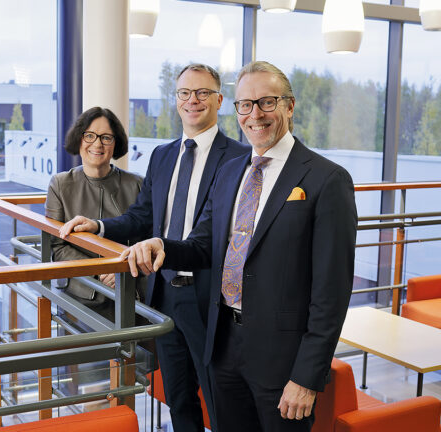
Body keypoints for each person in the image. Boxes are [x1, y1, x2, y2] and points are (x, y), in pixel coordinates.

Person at [120, 61, 358, 432]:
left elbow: (332, 293)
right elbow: (202, 245)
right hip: (223, 344)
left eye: (266, 102)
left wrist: (308, 377)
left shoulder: (327, 180)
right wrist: (161, 244)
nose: (255, 114)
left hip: (282, 360)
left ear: (289, 106)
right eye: (245, 104)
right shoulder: (232, 171)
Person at [60, 64, 248, 432]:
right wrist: (97, 225)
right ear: (175, 100)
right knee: (178, 398)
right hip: (164, 297)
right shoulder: (162, 156)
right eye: (184, 93)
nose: (192, 101)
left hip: (210, 298)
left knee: (220, 402)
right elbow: (140, 218)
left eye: (203, 93)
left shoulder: (238, 157)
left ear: (219, 100)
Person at [45, 106, 143, 320]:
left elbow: (145, 238)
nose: (97, 143)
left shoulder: (136, 184)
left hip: (130, 291)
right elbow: (57, 246)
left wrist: (120, 270)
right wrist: (100, 271)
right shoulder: (60, 184)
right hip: (80, 293)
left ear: (115, 143)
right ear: (79, 139)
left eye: (106, 137)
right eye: (89, 135)